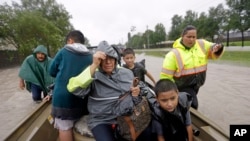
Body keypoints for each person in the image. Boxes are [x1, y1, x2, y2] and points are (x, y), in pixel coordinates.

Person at [67, 41, 147, 141]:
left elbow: (136, 96)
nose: (108, 62)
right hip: (101, 120)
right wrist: (94, 65)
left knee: (147, 133)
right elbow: (75, 89)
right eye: (103, 59)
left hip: (124, 117)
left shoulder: (126, 73)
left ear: (116, 59)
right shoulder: (93, 74)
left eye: (111, 58)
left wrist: (136, 93)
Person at [160, 25, 224, 109]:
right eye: (189, 37)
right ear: (182, 36)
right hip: (182, 87)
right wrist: (172, 93)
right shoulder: (173, 55)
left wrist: (218, 47)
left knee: (185, 106)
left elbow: (213, 47)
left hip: (196, 85)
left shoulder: (201, 44)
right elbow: (165, 77)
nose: (192, 39)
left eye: (194, 37)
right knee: (193, 104)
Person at [49, 30, 92, 141]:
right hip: (82, 99)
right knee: (79, 124)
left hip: (63, 100)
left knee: (65, 128)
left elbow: (51, 71)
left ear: (70, 40)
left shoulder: (64, 51)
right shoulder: (90, 56)